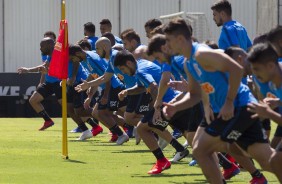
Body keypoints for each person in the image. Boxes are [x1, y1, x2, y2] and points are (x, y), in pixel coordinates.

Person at [163, 18, 273, 184]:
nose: (167, 46)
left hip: (239, 107)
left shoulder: (202, 54)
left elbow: (236, 69)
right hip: (227, 110)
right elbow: (194, 94)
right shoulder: (188, 63)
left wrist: (229, 101)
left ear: (179, 39)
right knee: (267, 160)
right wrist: (175, 107)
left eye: (168, 40)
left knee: (201, 150)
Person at [114, 50, 189, 174]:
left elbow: (153, 86)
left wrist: (156, 109)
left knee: (142, 128)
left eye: (123, 69)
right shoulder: (141, 64)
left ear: (129, 63)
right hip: (178, 100)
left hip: (168, 103)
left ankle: (162, 160)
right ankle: (226, 163)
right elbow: (142, 86)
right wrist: (127, 92)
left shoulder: (141, 71)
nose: (123, 72)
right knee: (192, 135)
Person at [69, 44, 129, 145]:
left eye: (73, 58)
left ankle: (123, 134)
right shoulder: (84, 60)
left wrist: (105, 95)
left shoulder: (91, 59)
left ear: (78, 53)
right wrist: (90, 94)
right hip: (108, 88)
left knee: (101, 113)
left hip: (112, 87)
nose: (73, 61)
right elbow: (94, 76)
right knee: (98, 113)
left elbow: (106, 76)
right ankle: (129, 129)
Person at [247, 43, 282, 182]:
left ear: (270, 66)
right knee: (275, 161)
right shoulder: (273, 81)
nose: (254, 74)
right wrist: (278, 102)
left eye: (257, 69)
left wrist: (268, 112)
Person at [17, 38, 61, 130]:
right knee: (33, 100)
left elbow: (59, 71)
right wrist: (28, 70)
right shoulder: (49, 55)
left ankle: (89, 124)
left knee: (68, 107)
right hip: (49, 83)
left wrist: (47, 71)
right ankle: (48, 120)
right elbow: (43, 67)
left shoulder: (59, 54)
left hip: (60, 83)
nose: (40, 48)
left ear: (49, 45)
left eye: (42, 46)